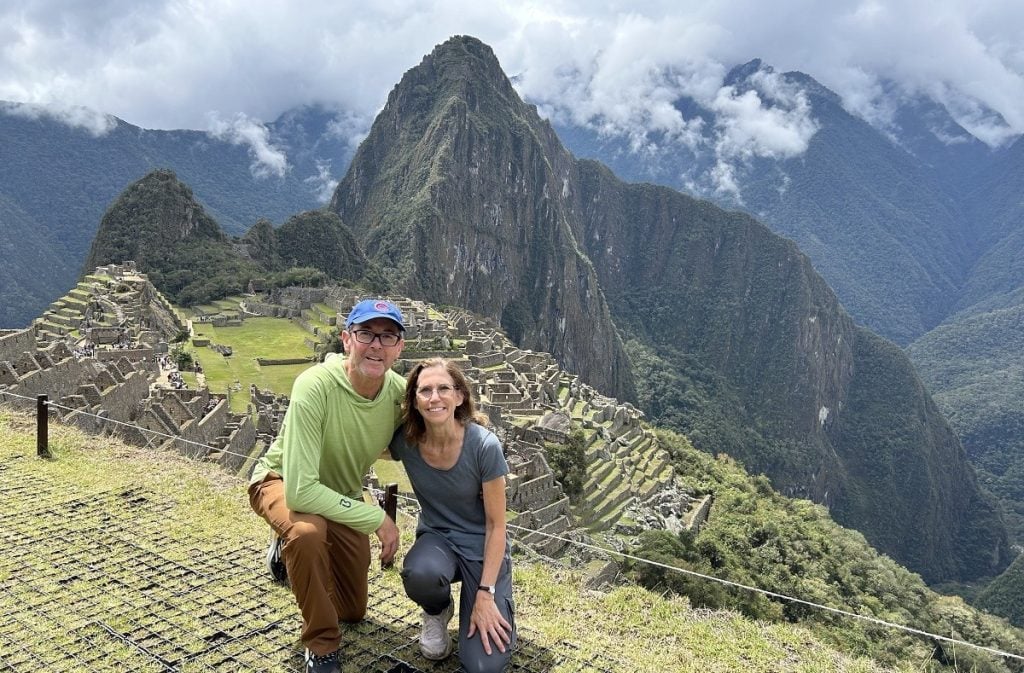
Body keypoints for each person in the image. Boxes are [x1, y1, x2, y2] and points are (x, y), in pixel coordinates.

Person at [248, 299, 406, 673]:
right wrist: (377, 519)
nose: (376, 345)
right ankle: (321, 645)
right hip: (282, 482)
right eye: (366, 333)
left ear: (399, 347)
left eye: (387, 336)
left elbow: (436, 433)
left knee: (352, 610)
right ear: (346, 339)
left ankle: (287, 556)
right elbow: (301, 493)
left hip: (341, 495)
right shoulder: (315, 385)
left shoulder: (399, 393)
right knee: (306, 532)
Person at [389, 358, 516, 673]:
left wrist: (485, 594)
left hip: (482, 548)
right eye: (425, 391)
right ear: (415, 402)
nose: (434, 398)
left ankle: (487, 599)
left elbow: (497, 526)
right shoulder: (406, 441)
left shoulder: (484, 447)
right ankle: (437, 609)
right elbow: (359, 444)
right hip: (438, 540)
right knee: (419, 574)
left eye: (443, 388)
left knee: (483, 666)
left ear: (460, 396)